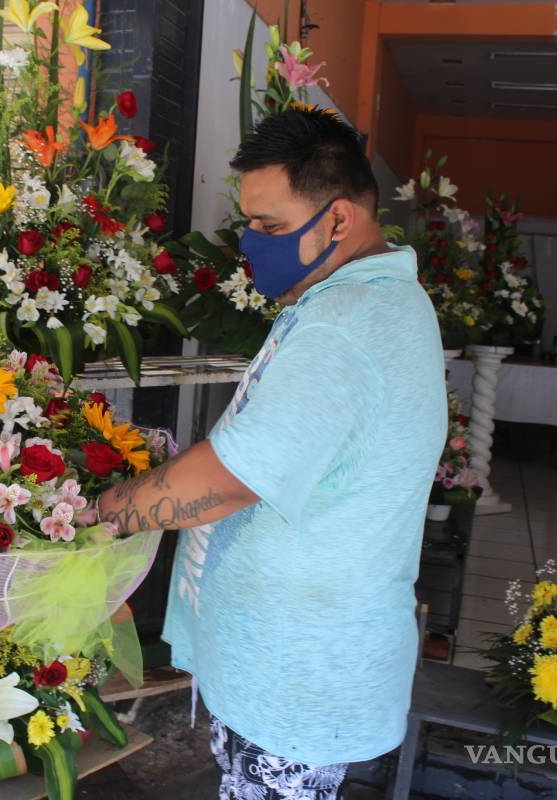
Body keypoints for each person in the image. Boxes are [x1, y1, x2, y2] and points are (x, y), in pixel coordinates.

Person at [95, 108, 446, 799]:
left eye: (271, 226)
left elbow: (230, 478)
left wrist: (95, 515)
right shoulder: (359, 303)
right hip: (285, 657)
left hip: (299, 672)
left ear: (339, 220)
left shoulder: (346, 325)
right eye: (249, 223)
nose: (251, 245)